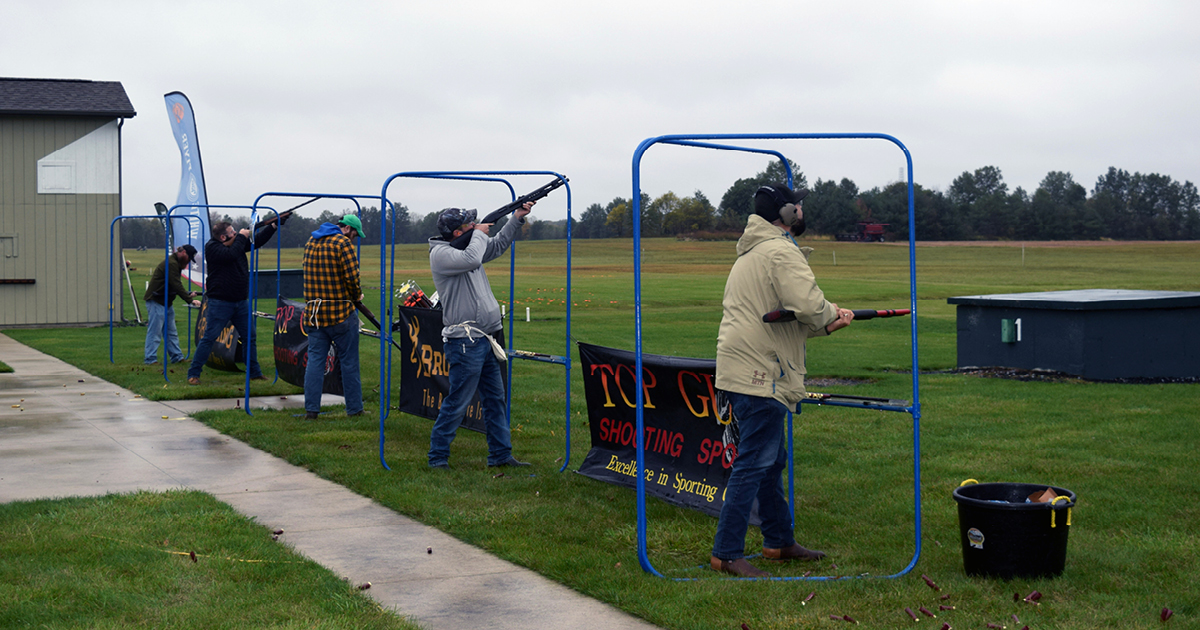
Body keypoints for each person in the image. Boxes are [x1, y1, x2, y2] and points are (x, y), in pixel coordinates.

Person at [710, 184, 855, 578]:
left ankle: (778, 541)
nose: (803, 210)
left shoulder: (756, 251)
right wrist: (829, 315)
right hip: (761, 372)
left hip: (747, 366)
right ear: (787, 214)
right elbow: (808, 305)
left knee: (771, 462)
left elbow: (784, 320)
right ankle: (726, 553)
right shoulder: (779, 251)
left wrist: (826, 326)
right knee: (754, 464)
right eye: (799, 206)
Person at [426, 201, 534, 469]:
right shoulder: (442, 254)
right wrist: (478, 234)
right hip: (465, 342)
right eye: (468, 225)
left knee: (495, 400)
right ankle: (437, 457)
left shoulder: (466, 246)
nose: (474, 227)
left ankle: (500, 455)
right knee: (458, 401)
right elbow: (472, 257)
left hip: (487, 337)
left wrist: (515, 219)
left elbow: (494, 246)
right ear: (456, 233)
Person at [186, 219, 279, 385]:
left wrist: (273, 226)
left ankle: (254, 373)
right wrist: (242, 237)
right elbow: (230, 255)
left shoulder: (235, 244)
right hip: (220, 302)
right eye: (232, 232)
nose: (236, 234)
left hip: (240, 301)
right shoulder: (213, 247)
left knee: (250, 337)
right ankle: (193, 373)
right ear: (223, 237)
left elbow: (256, 242)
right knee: (209, 338)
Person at [302, 214, 365, 419]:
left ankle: (311, 410)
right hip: (341, 314)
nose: (353, 239)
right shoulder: (342, 243)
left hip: (315, 315)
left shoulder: (311, 241)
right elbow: (352, 277)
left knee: (315, 362)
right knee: (349, 363)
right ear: (347, 229)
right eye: (355, 234)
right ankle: (354, 409)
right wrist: (357, 296)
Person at [143, 244, 201, 364]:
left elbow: (172, 285)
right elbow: (175, 284)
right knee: (155, 332)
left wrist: (187, 293)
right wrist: (190, 300)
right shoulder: (172, 264)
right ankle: (150, 359)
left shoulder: (174, 262)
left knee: (171, 332)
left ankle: (177, 357)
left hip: (165, 301)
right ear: (183, 252)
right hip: (156, 300)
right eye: (189, 258)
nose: (189, 261)